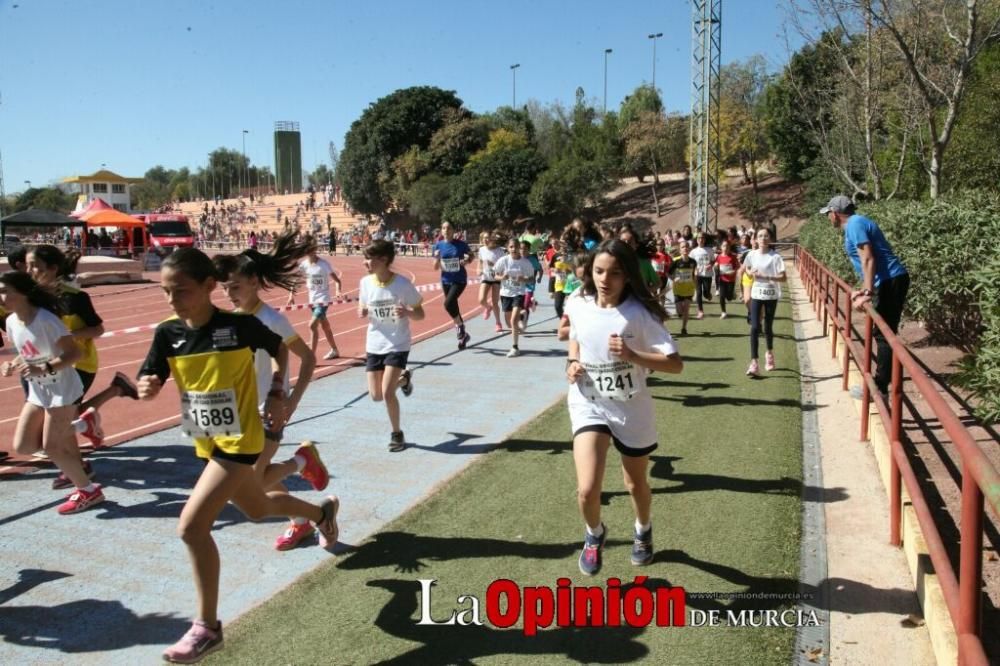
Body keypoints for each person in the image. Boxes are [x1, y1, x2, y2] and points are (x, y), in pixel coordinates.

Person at [137, 248, 339, 664]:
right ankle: (321, 514)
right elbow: (151, 372)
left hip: (242, 440)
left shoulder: (240, 327)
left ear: (209, 287)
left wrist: (279, 393)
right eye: (165, 292)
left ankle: (207, 628)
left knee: (191, 528)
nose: (173, 300)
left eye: (182, 291)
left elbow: (279, 350)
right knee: (255, 506)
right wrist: (148, 385)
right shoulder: (167, 332)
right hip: (207, 439)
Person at [563, 240, 683, 575]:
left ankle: (643, 529)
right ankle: (593, 534)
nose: (605, 279)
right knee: (587, 489)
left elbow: (675, 365)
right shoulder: (578, 300)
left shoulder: (639, 314)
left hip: (631, 408)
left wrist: (631, 356)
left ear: (628, 276)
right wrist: (572, 361)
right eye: (599, 271)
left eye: (615, 273)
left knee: (635, 483)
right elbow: (575, 334)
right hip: (589, 402)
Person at [214, 233, 332, 552]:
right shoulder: (230, 320)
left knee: (249, 484)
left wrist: (290, 403)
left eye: (235, 287)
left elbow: (307, 359)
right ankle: (300, 521)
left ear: (254, 282)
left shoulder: (271, 320)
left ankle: (300, 462)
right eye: (225, 288)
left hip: (268, 411)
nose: (229, 294)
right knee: (257, 476)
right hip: (239, 413)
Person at [0, 271, 106, 513]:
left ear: (24, 293)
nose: (1, 296)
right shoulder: (11, 322)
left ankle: (89, 491)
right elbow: (28, 350)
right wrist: (13, 364)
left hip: (62, 389)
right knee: (25, 446)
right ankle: (83, 425)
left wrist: (44, 367)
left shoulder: (47, 320)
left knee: (52, 447)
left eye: (6, 291)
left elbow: (74, 354)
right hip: (39, 390)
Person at [822, 195, 909, 399]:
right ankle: (888, 381)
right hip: (887, 280)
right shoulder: (856, 224)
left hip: (891, 280)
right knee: (884, 332)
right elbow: (868, 261)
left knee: (883, 333)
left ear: (835, 213)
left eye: (828, 214)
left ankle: (880, 387)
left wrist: (868, 293)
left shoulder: (854, 223)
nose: (828, 218)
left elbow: (868, 258)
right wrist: (864, 288)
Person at [358, 240, 425, 452]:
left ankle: (397, 434)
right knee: (376, 396)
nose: (365, 262)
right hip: (374, 342)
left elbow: (420, 314)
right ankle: (404, 379)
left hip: (398, 343)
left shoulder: (403, 285)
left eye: (369, 258)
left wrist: (407, 313)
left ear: (383, 260)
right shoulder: (365, 283)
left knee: (387, 393)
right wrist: (362, 310)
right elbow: (362, 305)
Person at [286, 236, 342, 360]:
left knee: (312, 325)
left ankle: (311, 357)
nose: (309, 252)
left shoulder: (323, 264)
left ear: (315, 249)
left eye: (311, 249)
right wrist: (291, 295)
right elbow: (295, 281)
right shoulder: (304, 265)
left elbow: (337, 280)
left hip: (323, 299)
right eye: (306, 250)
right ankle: (334, 350)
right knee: (325, 326)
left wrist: (338, 291)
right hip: (312, 300)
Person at [742, 228, 787, 376]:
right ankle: (754, 362)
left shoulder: (775, 257)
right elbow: (747, 269)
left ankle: (769, 353)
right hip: (756, 294)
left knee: (768, 326)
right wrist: (751, 273)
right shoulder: (751, 254)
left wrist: (767, 277)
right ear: (755, 239)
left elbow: (783, 278)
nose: (763, 238)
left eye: (766, 236)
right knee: (755, 327)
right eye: (760, 236)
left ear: (770, 238)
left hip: (771, 295)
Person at [432, 221, 475, 350]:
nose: (446, 230)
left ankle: (460, 327)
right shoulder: (438, 245)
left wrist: (466, 260)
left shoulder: (461, 245)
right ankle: (463, 337)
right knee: (453, 306)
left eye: (449, 228)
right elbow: (435, 267)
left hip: (459, 280)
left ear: (453, 230)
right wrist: (437, 258)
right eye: (444, 228)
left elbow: (471, 256)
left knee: (448, 303)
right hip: (446, 280)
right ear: (441, 230)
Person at [493, 239, 535, 358]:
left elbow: (532, 278)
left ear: (519, 248)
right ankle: (522, 317)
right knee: (509, 323)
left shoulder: (525, 262)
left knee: (512, 320)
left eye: (516, 247)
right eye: (511, 247)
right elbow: (494, 275)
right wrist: (502, 277)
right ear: (507, 248)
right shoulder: (503, 260)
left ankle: (515, 347)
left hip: (519, 293)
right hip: (505, 293)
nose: (513, 249)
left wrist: (524, 279)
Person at [477, 232, 505, 332]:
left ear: (492, 239)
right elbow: (480, 262)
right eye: (484, 238)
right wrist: (479, 270)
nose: (486, 240)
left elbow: (503, 265)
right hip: (486, 277)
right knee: (481, 299)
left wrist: (492, 264)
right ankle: (488, 308)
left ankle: (498, 323)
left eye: (488, 238)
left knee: (495, 302)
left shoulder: (499, 251)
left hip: (496, 278)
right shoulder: (481, 250)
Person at [668, 241, 697, 335]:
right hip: (678, 289)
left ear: (689, 249)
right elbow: (668, 273)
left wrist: (696, 287)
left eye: (687, 247)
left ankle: (684, 328)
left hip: (689, 289)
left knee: (686, 310)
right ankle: (680, 314)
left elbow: (694, 275)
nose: (685, 248)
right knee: (680, 311)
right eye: (683, 247)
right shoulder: (676, 261)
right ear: (680, 250)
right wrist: (673, 278)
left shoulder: (693, 262)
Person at [689, 233, 715, 320]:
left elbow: (713, 260)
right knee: (699, 293)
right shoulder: (693, 251)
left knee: (706, 292)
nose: (701, 239)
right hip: (698, 275)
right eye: (699, 238)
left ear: (705, 239)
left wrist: (710, 265)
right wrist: (694, 270)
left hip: (707, 274)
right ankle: (700, 311)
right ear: (697, 240)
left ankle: (708, 295)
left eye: (702, 238)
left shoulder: (709, 250)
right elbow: (690, 262)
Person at [714, 240, 740, 319]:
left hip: (731, 280)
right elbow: (716, 265)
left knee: (729, 298)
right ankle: (723, 312)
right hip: (722, 279)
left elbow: (737, 266)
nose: (726, 248)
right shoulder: (719, 257)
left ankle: (732, 294)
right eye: (724, 246)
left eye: (727, 246)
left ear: (730, 248)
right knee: (721, 296)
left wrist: (733, 272)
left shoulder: (733, 256)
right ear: (721, 247)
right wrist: (716, 266)